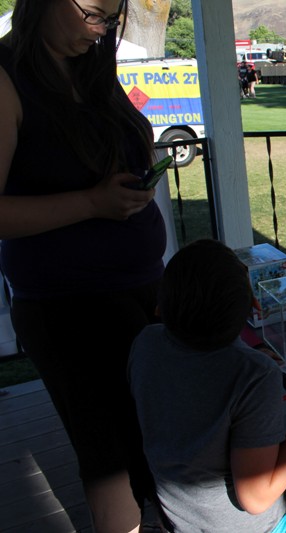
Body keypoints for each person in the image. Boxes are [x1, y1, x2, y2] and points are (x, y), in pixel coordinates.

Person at [0, 1, 166, 532]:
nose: (101, 31)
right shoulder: (5, 77)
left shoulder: (90, 67)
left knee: (158, 434)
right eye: (92, 13)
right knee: (107, 453)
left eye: (111, 20)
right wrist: (92, 203)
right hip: (66, 308)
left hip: (140, 291)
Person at [128, 239, 286, 532]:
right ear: (253, 307)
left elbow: (194, 373)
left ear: (161, 305)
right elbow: (256, 499)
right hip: (232, 524)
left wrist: (243, 357)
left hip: (179, 511)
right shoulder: (254, 375)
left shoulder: (147, 341)